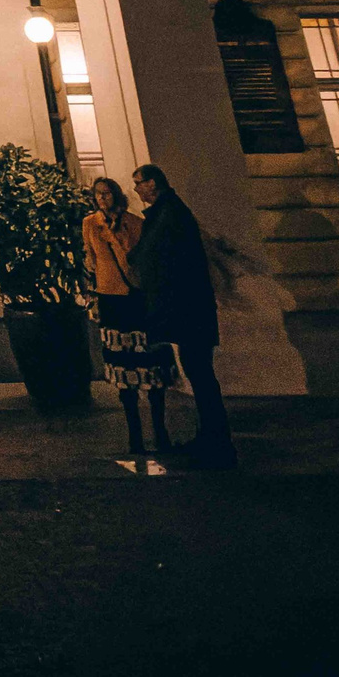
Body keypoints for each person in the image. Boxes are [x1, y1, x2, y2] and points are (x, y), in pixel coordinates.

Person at [130, 164, 234, 469]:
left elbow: (156, 256)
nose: (136, 189)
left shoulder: (169, 214)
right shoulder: (170, 211)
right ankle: (210, 435)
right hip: (191, 308)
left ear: (153, 183)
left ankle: (216, 439)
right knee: (199, 372)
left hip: (189, 309)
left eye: (139, 183)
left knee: (200, 373)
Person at [84, 177, 176, 456]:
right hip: (111, 299)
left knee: (150, 365)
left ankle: (160, 431)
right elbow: (90, 258)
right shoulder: (90, 224)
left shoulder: (135, 223)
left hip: (137, 297)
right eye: (98, 194)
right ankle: (134, 434)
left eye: (107, 193)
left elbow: (143, 258)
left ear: (116, 195)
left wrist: (119, 237)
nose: (102, 198)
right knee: (123, 369)